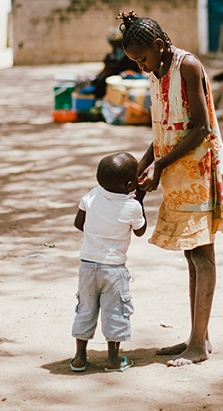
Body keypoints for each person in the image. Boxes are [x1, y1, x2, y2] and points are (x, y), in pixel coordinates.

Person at [118, 10, 223, 366]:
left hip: (199, 171)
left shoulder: (187, 66)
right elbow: (164, 130)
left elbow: (202, 128)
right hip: (176, 172)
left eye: (142, 59)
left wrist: (160, 164)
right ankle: (197, 336)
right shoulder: (159, 73)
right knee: (192, 254)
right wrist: (144, 165)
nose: (141, 67)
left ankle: (199, 345)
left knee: (202, 255)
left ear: (158, 46)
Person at [71, 151, 147, 373]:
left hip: (87, 265)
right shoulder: (132, 206)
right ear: (131, 183)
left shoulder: (92, 195)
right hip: (114, 269)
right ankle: (113, 359)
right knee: (115, 311)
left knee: (85, 308)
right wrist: (139, 198)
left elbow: (79, 224)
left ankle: (79, 358)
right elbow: (141, 231)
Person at [91, 28, 139, 101]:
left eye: (118, 44)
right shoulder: (110, 57)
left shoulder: (132, 57)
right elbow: (105, 69)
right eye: (115, 44)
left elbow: (135, 72)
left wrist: (128, 73)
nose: (117, 47)